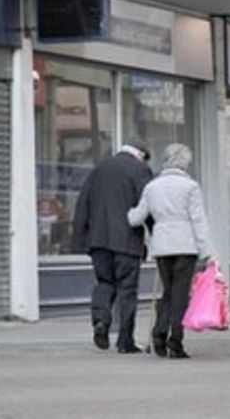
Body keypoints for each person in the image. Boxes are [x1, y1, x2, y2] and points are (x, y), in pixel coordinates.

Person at [128, 143, 215, 359]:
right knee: (180, 295)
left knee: (168, 292)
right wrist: (207, 251)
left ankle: (159, 334)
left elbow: (136, 218)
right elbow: (198, 220)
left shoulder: (152, 187)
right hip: (185, 245)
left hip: (162, 246)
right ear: (185, 162)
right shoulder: (190, 187)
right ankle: (175, 342)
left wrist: (127, 212)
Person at [73, 138, 153, 354]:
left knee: (104, 283)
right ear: (141, 155)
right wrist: (156, 234)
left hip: (98, 241)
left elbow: (82, 204)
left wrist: (81, 238)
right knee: (127, 290)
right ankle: (125, 342)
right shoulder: (140, 170)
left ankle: (100, 320)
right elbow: (148, 204)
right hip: (127, 241)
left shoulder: (99, 168)